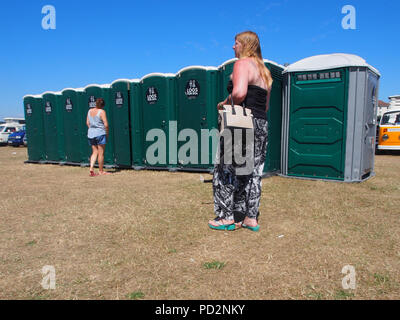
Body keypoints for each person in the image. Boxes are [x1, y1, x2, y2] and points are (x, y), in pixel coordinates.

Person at [208, 31, 272, 232]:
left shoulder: (242, 65)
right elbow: (266, 106)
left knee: (226, 168)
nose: (233, 47)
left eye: (235, 43)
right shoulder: (265, 72)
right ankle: (250, 218)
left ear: (245, 45)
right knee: (253, 171)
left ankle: (226, 217)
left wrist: (226, 102)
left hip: (241, 122)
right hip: (261, 123)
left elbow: (239, 93)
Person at [87, 98, 110, 176]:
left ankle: (91, 168)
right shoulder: (102, 112)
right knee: (101, 153)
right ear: (103, 105)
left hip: (91, 134)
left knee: (94, 152)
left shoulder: (89, 111)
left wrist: (92, 129)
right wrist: (107, 133)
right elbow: (106, 124)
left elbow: (87, 123)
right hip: (100, 133)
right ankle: (101, 171)